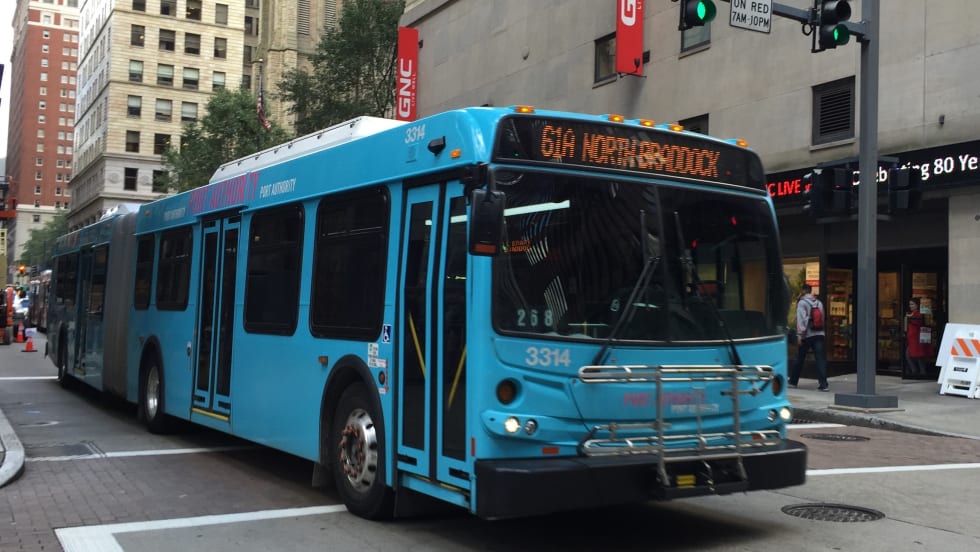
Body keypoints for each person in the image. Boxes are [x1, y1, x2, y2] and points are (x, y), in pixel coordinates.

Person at [789, 283, 829, 391]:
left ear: (803, 291)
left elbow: (801, 320)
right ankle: (824, 385)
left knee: (800, 358)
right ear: (810, 291)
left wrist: (799, 335)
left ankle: (793, 382)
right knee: (820, 359)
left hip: (807, 335)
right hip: (819, 333)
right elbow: (822, 318)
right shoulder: (819, 302)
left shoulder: (802, 303)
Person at [905, 297, 932, 377]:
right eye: (910, 304)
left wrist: (910, 317)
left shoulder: (918, 314)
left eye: (912, 304)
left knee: (918, 355)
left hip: (917, 338)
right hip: (913, 339)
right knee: (916, 355)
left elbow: (918, 322)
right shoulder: (912, 313)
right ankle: (918, 371)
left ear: (917, 305)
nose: (910, 306)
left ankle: (918, 371)